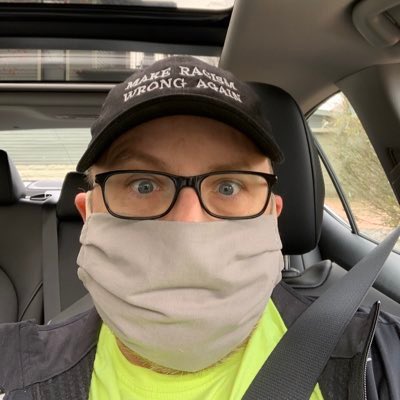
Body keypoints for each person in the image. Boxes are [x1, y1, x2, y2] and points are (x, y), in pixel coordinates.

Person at [0, 56, 399, 400]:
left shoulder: (378, 358)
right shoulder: (13, 374)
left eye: (228, 186)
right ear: (88, 215)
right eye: (143, 185)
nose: (188, 223)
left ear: (272, 216)